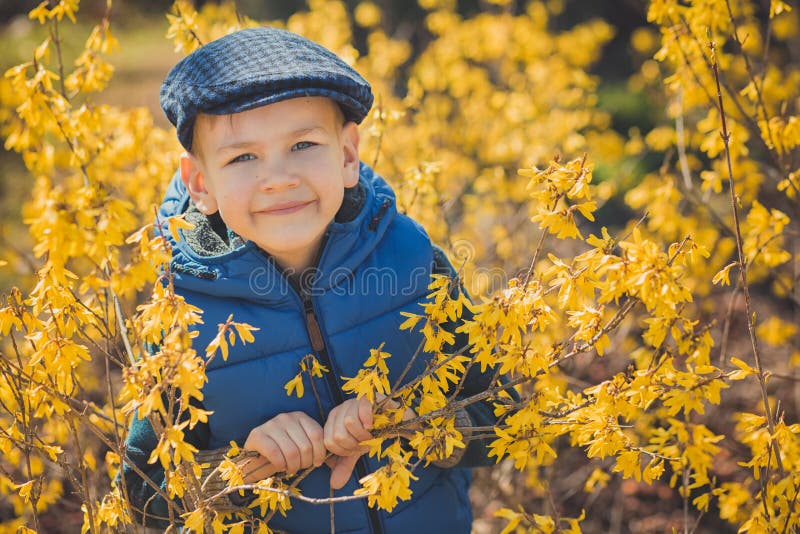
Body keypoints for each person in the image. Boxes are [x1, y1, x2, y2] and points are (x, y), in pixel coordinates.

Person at [122, 26, 505, 533]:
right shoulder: (181, 318)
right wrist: (244, 467)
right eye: (243, 157)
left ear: (348, 156)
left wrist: (410, 420)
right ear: (200, 184)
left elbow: (499, 416)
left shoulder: (413, 261)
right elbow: (146, 497)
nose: (278, 177)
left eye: (303, 144)